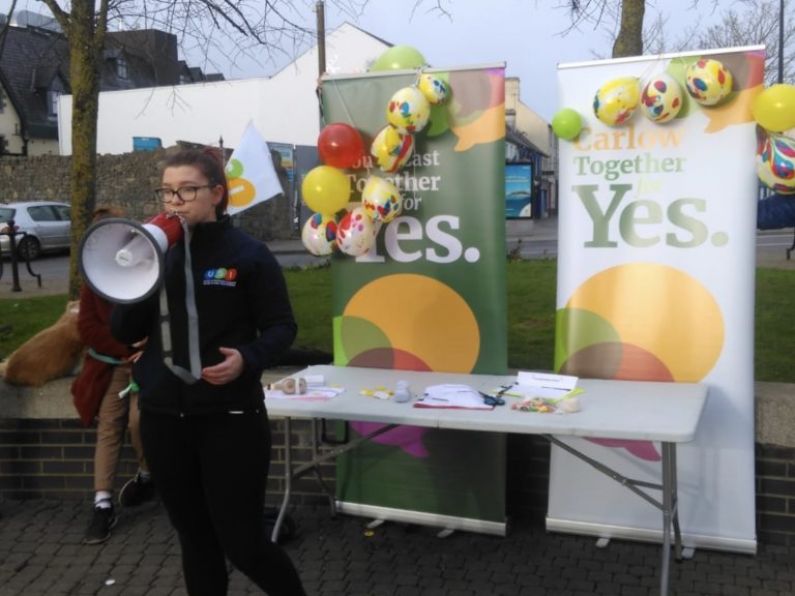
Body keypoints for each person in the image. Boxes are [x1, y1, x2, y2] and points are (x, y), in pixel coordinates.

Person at [110, 148, 306, 596]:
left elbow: (281, 327)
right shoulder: (154, 254)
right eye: (167, 192)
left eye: (187, 190)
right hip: (164, 417)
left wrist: (247, 359)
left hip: (228, 419)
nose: (174, 201)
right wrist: (137, 271)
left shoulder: (248, 255)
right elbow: (123, 330)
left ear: (217, 193)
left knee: (243, 543)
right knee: (195, 540)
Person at [72, 205, 155, 545]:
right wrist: (125, 348)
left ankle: (147, 474)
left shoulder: (150, 269)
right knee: (109, 426)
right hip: (114, 364)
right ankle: (102, 502)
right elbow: (87, 327)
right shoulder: (94, 283)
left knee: (140, 422)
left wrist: (146, 345)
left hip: (145, 363)